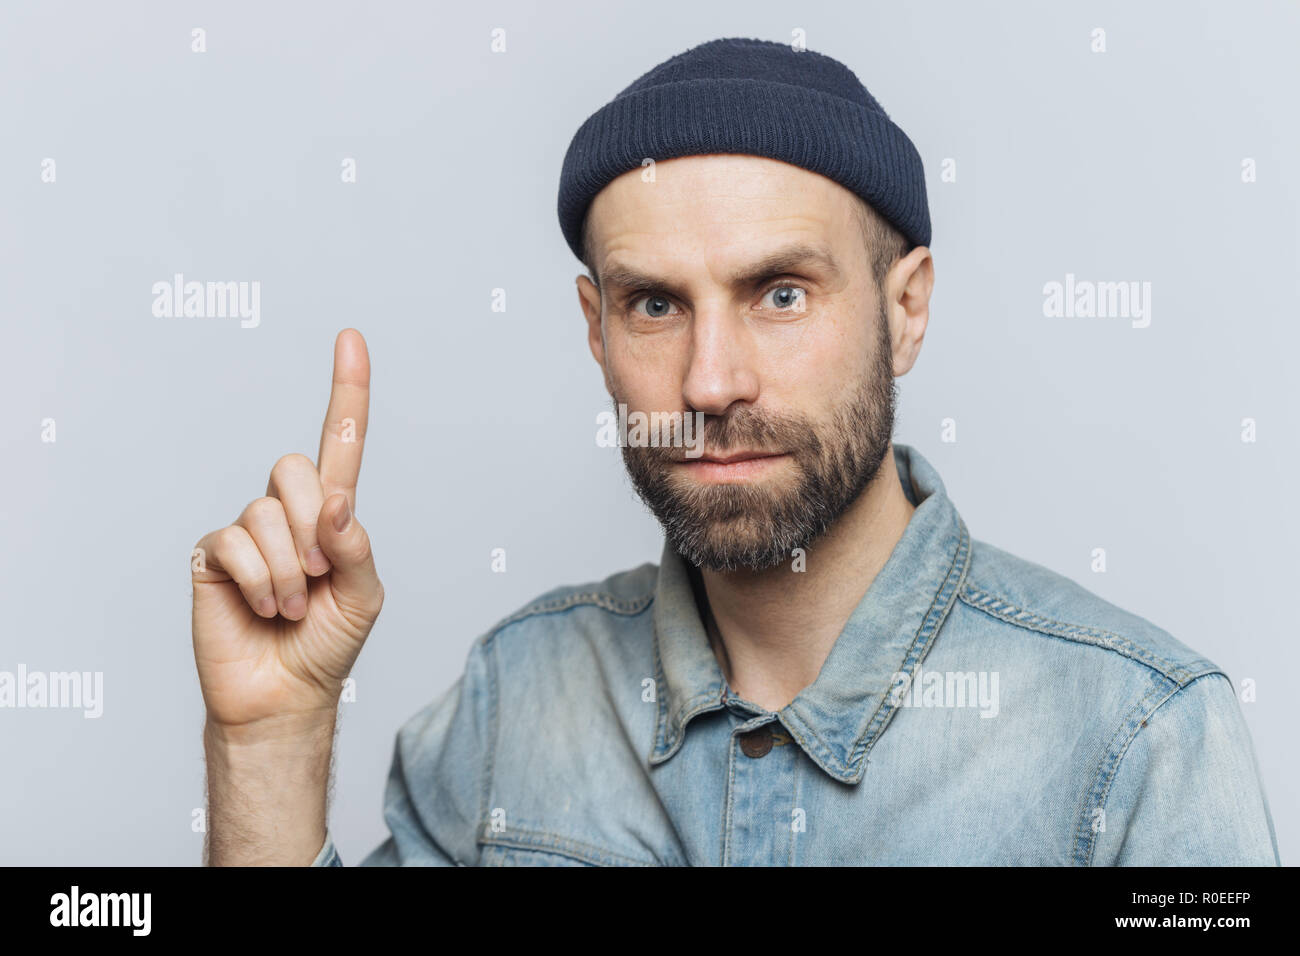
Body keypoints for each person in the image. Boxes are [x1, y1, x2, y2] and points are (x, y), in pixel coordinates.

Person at [192, 37, 1280, 866]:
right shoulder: (507, 698)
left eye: (781, 292)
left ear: (906, 309)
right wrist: (268, 743)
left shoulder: (1139, 738)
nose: (711, 383)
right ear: (596, 329)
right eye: (656, 302)